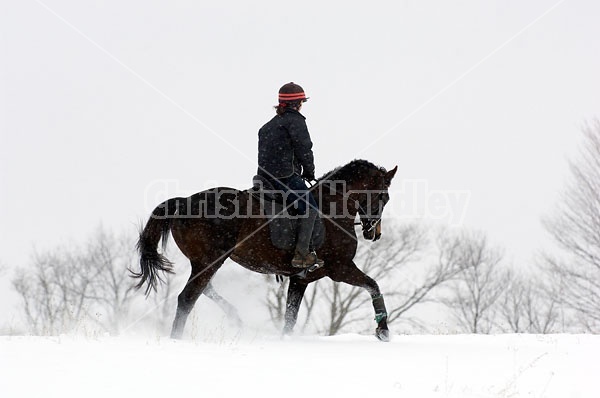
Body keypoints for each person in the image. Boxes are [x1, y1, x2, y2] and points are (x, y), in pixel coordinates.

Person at [257, 82, 324, 269]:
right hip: (285, 177)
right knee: (311, 208)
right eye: (302, 101)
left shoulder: (266, 126)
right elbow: (305, 148)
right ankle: (302, 255)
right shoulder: (296, 121)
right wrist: (309, 172)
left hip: (264, 179)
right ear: (298, 103)